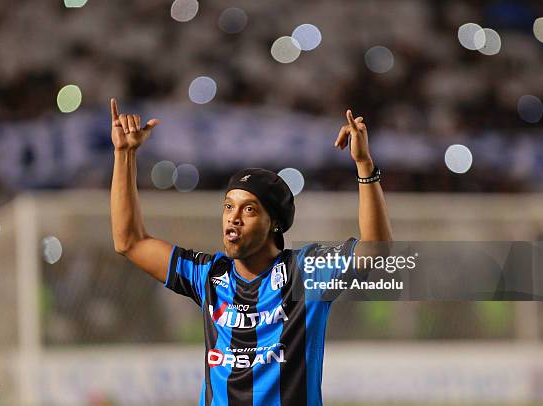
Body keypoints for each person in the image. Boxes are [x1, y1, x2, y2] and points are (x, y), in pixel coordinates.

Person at [109, 98, 392, 406]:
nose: (234, 217)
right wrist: (124, 153)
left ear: (274, 224)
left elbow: (375, 252)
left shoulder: (305, 271)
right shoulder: (208, 274)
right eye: (229, 206)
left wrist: (364, 165)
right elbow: (130, 242)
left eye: (249, 209)